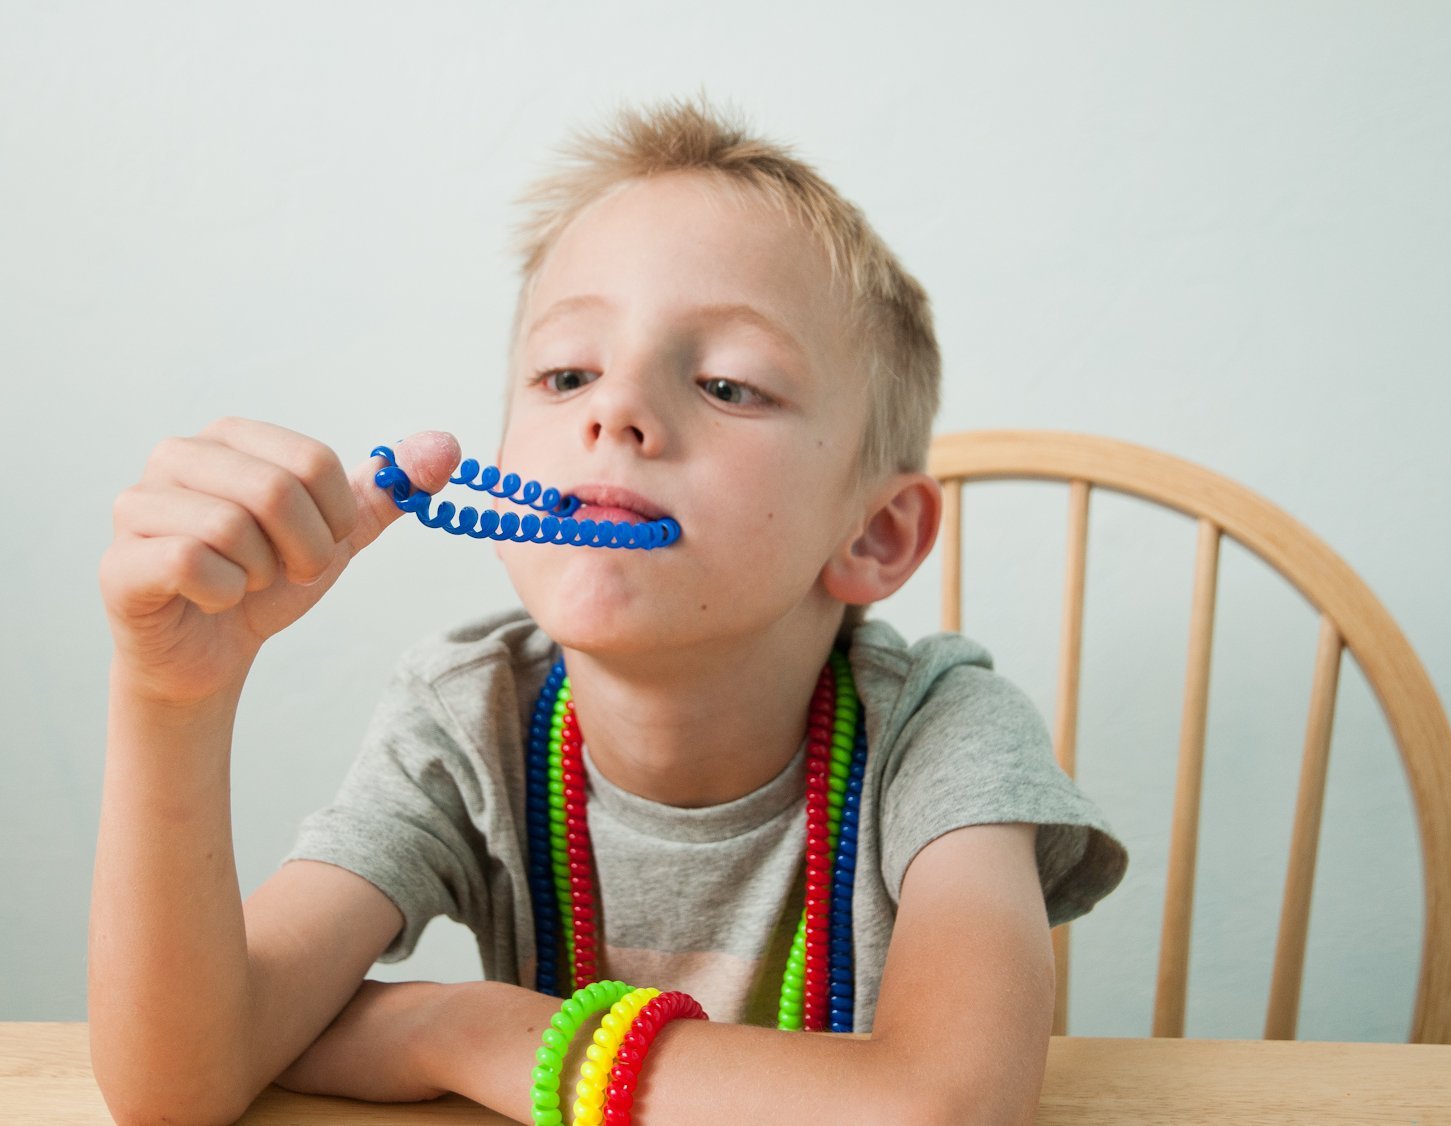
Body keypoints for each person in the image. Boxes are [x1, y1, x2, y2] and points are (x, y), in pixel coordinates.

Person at [92, 98, 1126, 1124]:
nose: (612, 407)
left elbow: (943, 1107)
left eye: (727, 383)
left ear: (874, 536)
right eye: (566, 371)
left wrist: (465, 1030)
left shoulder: (945, 735)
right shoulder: (467, 715)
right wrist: (173, 695)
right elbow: (177, 1080)